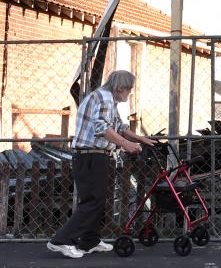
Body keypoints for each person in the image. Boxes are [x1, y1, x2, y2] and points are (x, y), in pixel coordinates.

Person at [47, 70, 157, 258]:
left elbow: (119, 127)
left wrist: (142, 139)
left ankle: (90, 241)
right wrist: (127, 144)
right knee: (92, 201)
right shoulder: (105, 98)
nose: (129, 93)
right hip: (90, 156)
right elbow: (102, 128)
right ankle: (61, 240)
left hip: (92, 156)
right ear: (121, 88)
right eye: (129, 90)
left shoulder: (107, 98)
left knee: (97, 201)